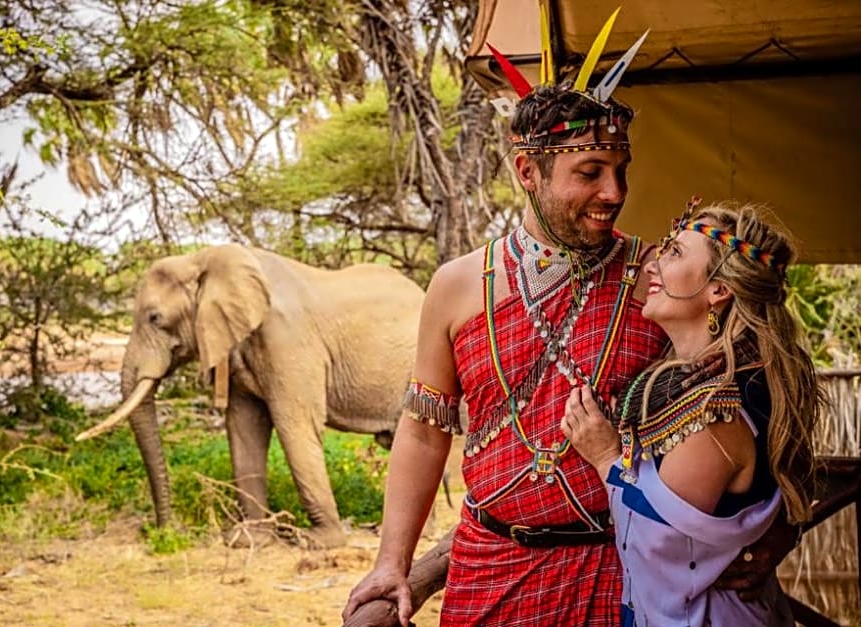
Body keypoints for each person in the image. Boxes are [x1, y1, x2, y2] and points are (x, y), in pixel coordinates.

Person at [342, 10, 798, 627]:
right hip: (487, 570)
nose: (615, 193)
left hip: (623, 575)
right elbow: (424, 431)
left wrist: (783, 524)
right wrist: (392, 563)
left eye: (621, 171)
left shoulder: (657, 278)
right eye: (590, 173)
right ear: (527, 171)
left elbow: (764, 385)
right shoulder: (457, 288)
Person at [561, 200, 820, 625]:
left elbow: (659, 543)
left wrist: (606, 456)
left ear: (719, 289)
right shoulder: (728, 378)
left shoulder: (719, 413)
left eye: (675, 253)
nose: (652, 266)